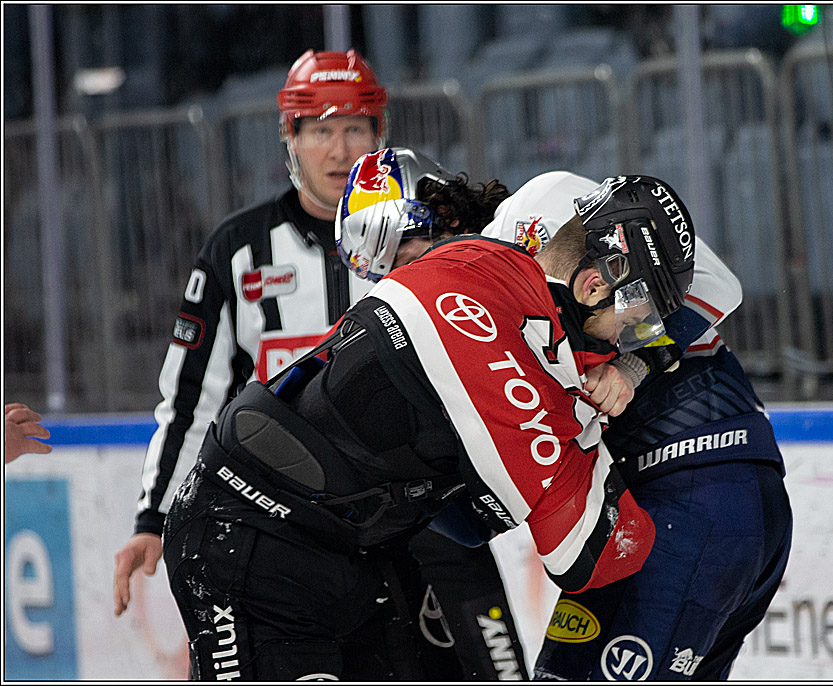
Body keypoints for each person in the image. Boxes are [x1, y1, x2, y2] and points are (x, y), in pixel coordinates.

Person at [160, 173, 696, 680]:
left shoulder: (489, 261)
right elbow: (596, 554)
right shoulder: (501, 364)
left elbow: (467, 519)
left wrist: (620, 371)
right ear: (596, 283)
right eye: (641, 314)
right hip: (251, 540)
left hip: (354, 548)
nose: (639, 332)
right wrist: (588, 419)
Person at [112, 50, 526, 679]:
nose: (338, 150)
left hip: (422, 514)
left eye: (355, 129)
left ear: (378, 136)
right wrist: (153, 515)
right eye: (321, 130)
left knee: (496, 669)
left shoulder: (425, 239)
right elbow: (192, 398)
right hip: (290, 522)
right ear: (292, 139)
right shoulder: (236, 249)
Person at [482, 171, 793, 680]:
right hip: (697, 497)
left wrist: (635, 362)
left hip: (690, 493)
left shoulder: (540, 211)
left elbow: (716, 283)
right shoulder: (482, 307)